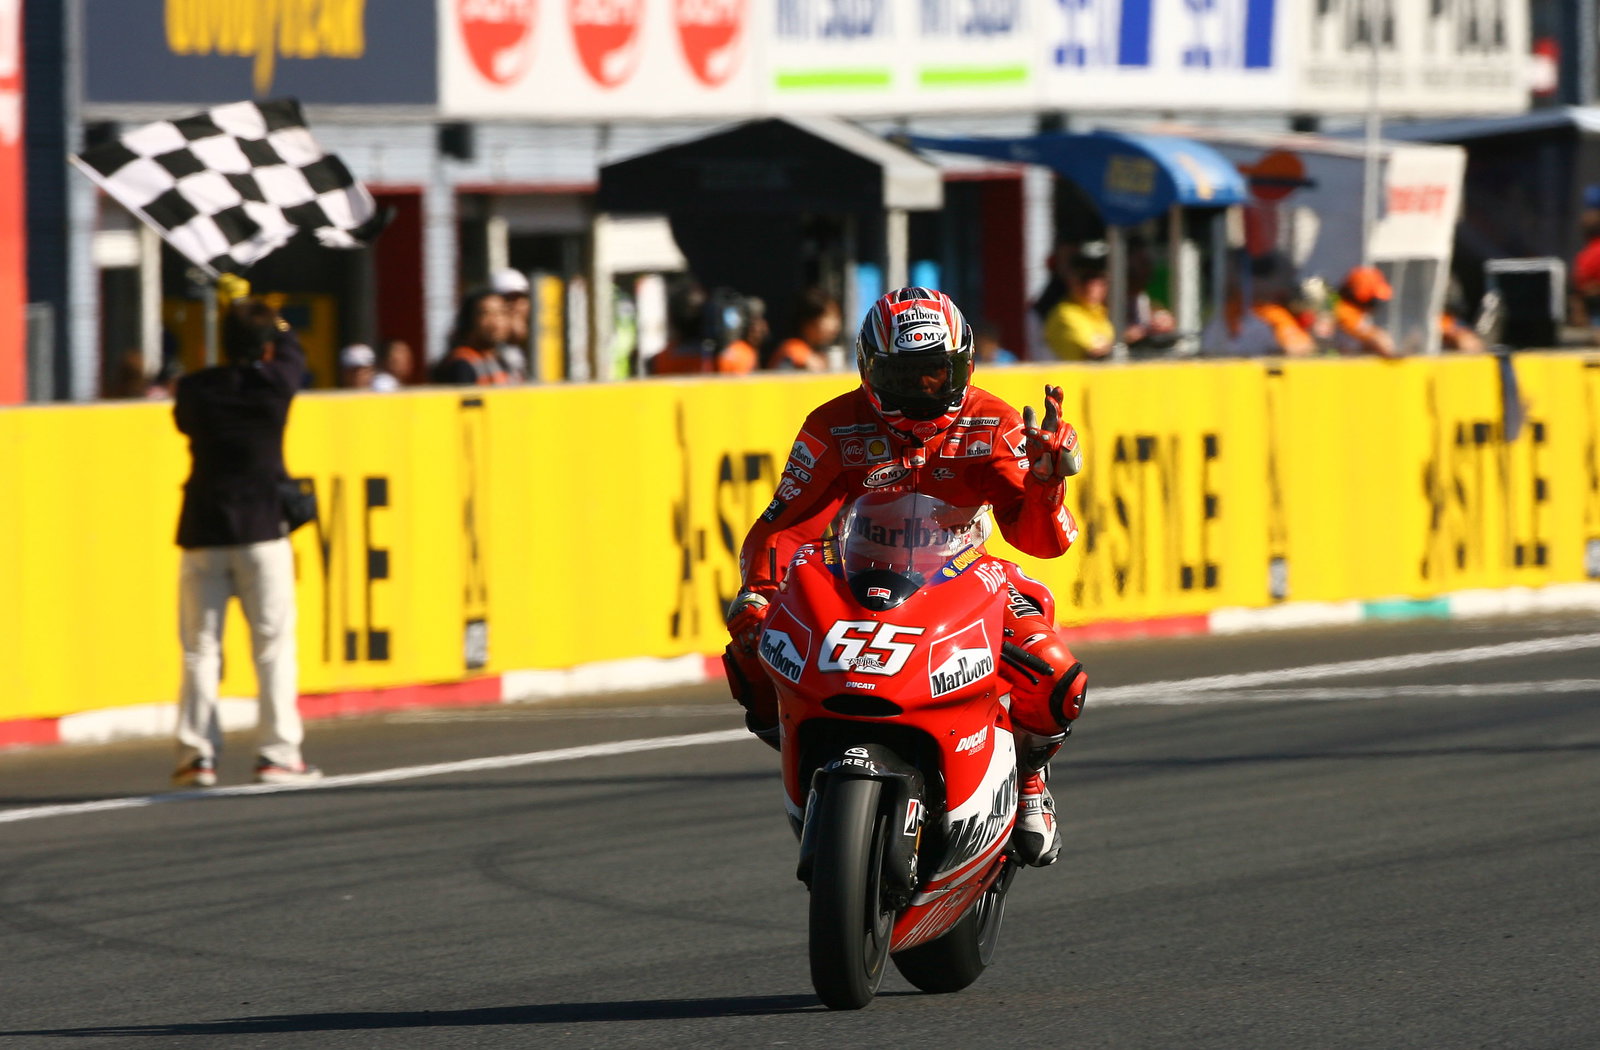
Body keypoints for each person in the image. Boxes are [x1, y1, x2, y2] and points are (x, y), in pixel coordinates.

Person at [724, 287, 1090, 868]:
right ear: (870, 370)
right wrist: (759, 595)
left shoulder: (993, 422)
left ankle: (1028, 778)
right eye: (905, 376)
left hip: (964, 578)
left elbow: (1044, 542)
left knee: (1057, 676)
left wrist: (1045, 484)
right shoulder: (833, 425)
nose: (923, 390)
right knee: (750, 643)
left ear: (964, 366)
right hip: (853, 582)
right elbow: (784, 526)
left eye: (936, 373)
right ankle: (809, 750)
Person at [170, 297, 321, 788]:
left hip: (203, 528)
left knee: (200, 650)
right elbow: (294, 353)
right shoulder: (274, 385)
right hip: (261, 527)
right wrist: (278, 323)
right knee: (273, 647)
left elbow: (184, 419)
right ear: (267, 346)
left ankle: (197, 755)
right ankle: (278, 752)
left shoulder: (196, 389)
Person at [1042, 241, 1115, 361]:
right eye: (1085, 278)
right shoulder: (1064, 314)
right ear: (1071, 279)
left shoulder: (1102, 310)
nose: (1092, 285)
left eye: (1100, 277)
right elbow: (1095, 354)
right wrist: (1125, 341)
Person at [433, 290, 513, 385]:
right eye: (486, 314)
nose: (496, 323)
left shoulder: (501, 359)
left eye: (501, 313)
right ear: (470, 320)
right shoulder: (463, 363)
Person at [1331, 265, 1398, 358]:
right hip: (1338, 364)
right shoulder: (1343, 310)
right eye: (1373, 298)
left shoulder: (1358, 311)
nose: (1376, 303)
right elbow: (1374, 337)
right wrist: (1388, 349)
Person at [768, 288, 841, 371]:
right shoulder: (793, 348)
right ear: (809, 321)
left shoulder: (814, 351)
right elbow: (794, 353)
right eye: (829, 317)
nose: (836, 324)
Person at [490, 268, 532, 381]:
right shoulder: (485, 349)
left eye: (521, 298)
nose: (515, 306)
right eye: (508, 299)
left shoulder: (541, 342)